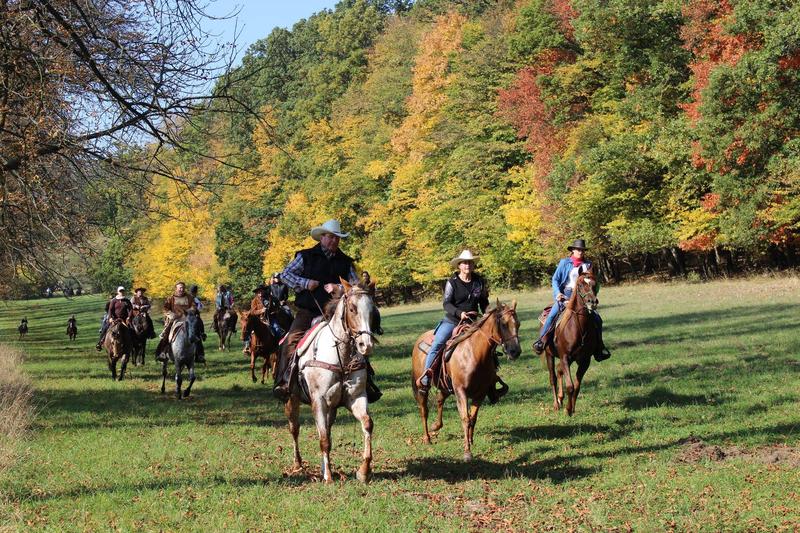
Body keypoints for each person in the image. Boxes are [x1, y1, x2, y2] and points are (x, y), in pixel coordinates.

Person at [273, 219, 361, 400]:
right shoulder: (305, 256)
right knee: (291, 340)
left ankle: (366, 381)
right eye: (330, 237)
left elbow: (356, 287)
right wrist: (305, 283)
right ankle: (284, 380)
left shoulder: (346, 262)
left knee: (360, 340)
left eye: (337, 238)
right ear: (322, 237)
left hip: (338, 314)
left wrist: (339, 287)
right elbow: (285, 274)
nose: (334, 241)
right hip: (308, 311)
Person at [416, 250, 490, 394]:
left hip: (473, 322)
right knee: (438, 343)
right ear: (459, 266)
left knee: (489, 344)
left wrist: (488, 314)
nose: (467, 265)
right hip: (453, 321)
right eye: (464, 263)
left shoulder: (479, 282)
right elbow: (446, 303)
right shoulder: (452, 282)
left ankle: (491, 380)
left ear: (473, 265)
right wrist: (459, 313)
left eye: (470, 262)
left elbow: (483, 302)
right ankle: (426, 376)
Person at [533, 239, 611, 361]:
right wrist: (558, 293)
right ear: (573, 250)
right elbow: (555, 280)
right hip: (566, 294)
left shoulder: (589, 265)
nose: (580, 252)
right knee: (552, 315)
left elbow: (597, 283)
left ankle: (599, 348)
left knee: (598, 319)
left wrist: (593, 287)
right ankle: (541, 341)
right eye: (578, 249)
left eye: (582, 250)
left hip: (584, 296)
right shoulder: (564, 263)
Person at [155, 282, 199, 362]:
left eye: (183, 287)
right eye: (180, 288)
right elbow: (165, 308)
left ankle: (199, 354)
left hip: (187, 318)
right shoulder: (171, 298)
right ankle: (163, 352)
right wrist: (171, 314)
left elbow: (194, 306)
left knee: (196, 332)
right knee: (167, 332)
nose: (181, 289)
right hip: (174, 319)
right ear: (176, 288)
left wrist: (189, 311)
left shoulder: (189, 297)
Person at [96, 286, 132, 351]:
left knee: (132, 329)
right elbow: (110, 310)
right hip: (114, 319)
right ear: (117, 292)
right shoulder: (114, 300)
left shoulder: (127, 300)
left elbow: (130, 309)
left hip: (124, 320)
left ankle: (133, 344)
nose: (121, 292)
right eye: (120, 291)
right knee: (105, 327)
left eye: (123, 291)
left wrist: (129, 317)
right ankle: (100, 342)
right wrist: (110, 318)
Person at [242, 283, 270, 357]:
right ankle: (247, 346)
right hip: (256, 320)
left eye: (261, 291)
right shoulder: (254, 301)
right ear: (257, 293)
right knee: (249, 331)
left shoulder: (268, 299)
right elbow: (252, 312)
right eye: (259, 292)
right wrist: (261, 311)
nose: (260, 293)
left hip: (267, 318)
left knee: (274, 329)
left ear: (264, 291)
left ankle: (275, 345)